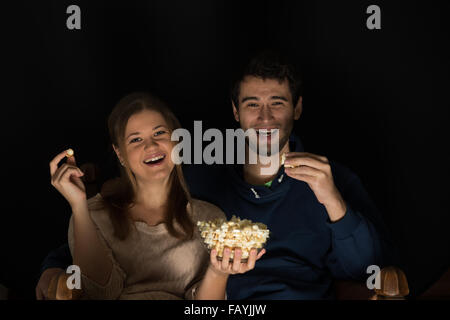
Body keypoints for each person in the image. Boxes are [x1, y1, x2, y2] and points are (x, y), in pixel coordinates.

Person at [38, 52, 396, 300]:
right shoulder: (197, 176)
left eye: (279, 102)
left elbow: (368, 270)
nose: (266, 118)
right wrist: (56, 268)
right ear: (235, 111)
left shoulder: (331, 179)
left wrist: (333, 202)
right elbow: (113, 228)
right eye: (253, 104)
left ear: (297, 108)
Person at [41, 92, 264, 300]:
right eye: (136, 140)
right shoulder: (91, 215)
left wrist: (218, 271)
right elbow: (99, 293)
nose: (151, 145)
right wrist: (78, 206)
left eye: (159, 133)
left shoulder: (210, 218)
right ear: (120, 153)